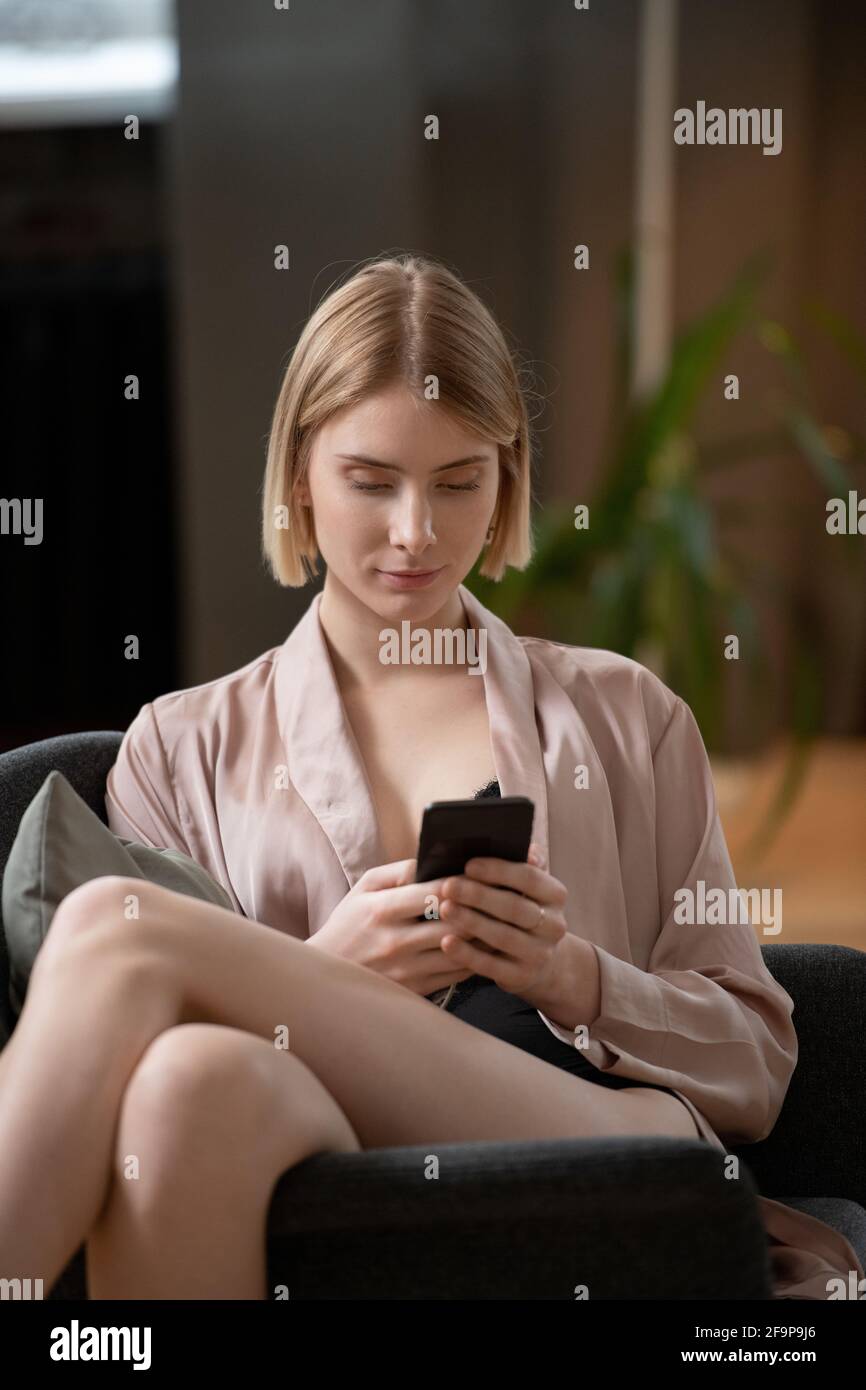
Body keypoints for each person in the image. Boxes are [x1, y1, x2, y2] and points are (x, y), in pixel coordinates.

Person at [0, 253, 862, 1302]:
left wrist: (574, 976)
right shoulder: (178, 746)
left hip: (596, 1127)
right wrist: (328, 970)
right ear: (299, 478)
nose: (415, 530)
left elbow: (754, 1060)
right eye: (371, 481)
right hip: (319, 1128)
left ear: (505, 479)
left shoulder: (627, 714)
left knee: (113, 925)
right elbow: (139, 1063)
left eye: (458, 481)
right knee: (182, 1082)